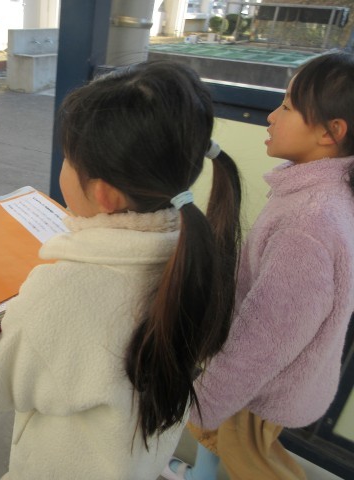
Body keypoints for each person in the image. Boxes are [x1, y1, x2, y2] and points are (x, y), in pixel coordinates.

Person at [0, 60, 242, 479]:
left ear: (104, 194)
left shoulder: (66, 293)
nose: (64, 167)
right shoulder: (198, 254)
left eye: (69, 159)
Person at [163, 52, 354, 480]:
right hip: (268, 378)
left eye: (286, 107)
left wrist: (204, 400)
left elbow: (265, 337)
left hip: (262, 388)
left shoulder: (309, 223)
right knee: (218, 437)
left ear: (331, 132)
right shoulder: (318, 191)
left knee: (253, 462)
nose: (271, 116)